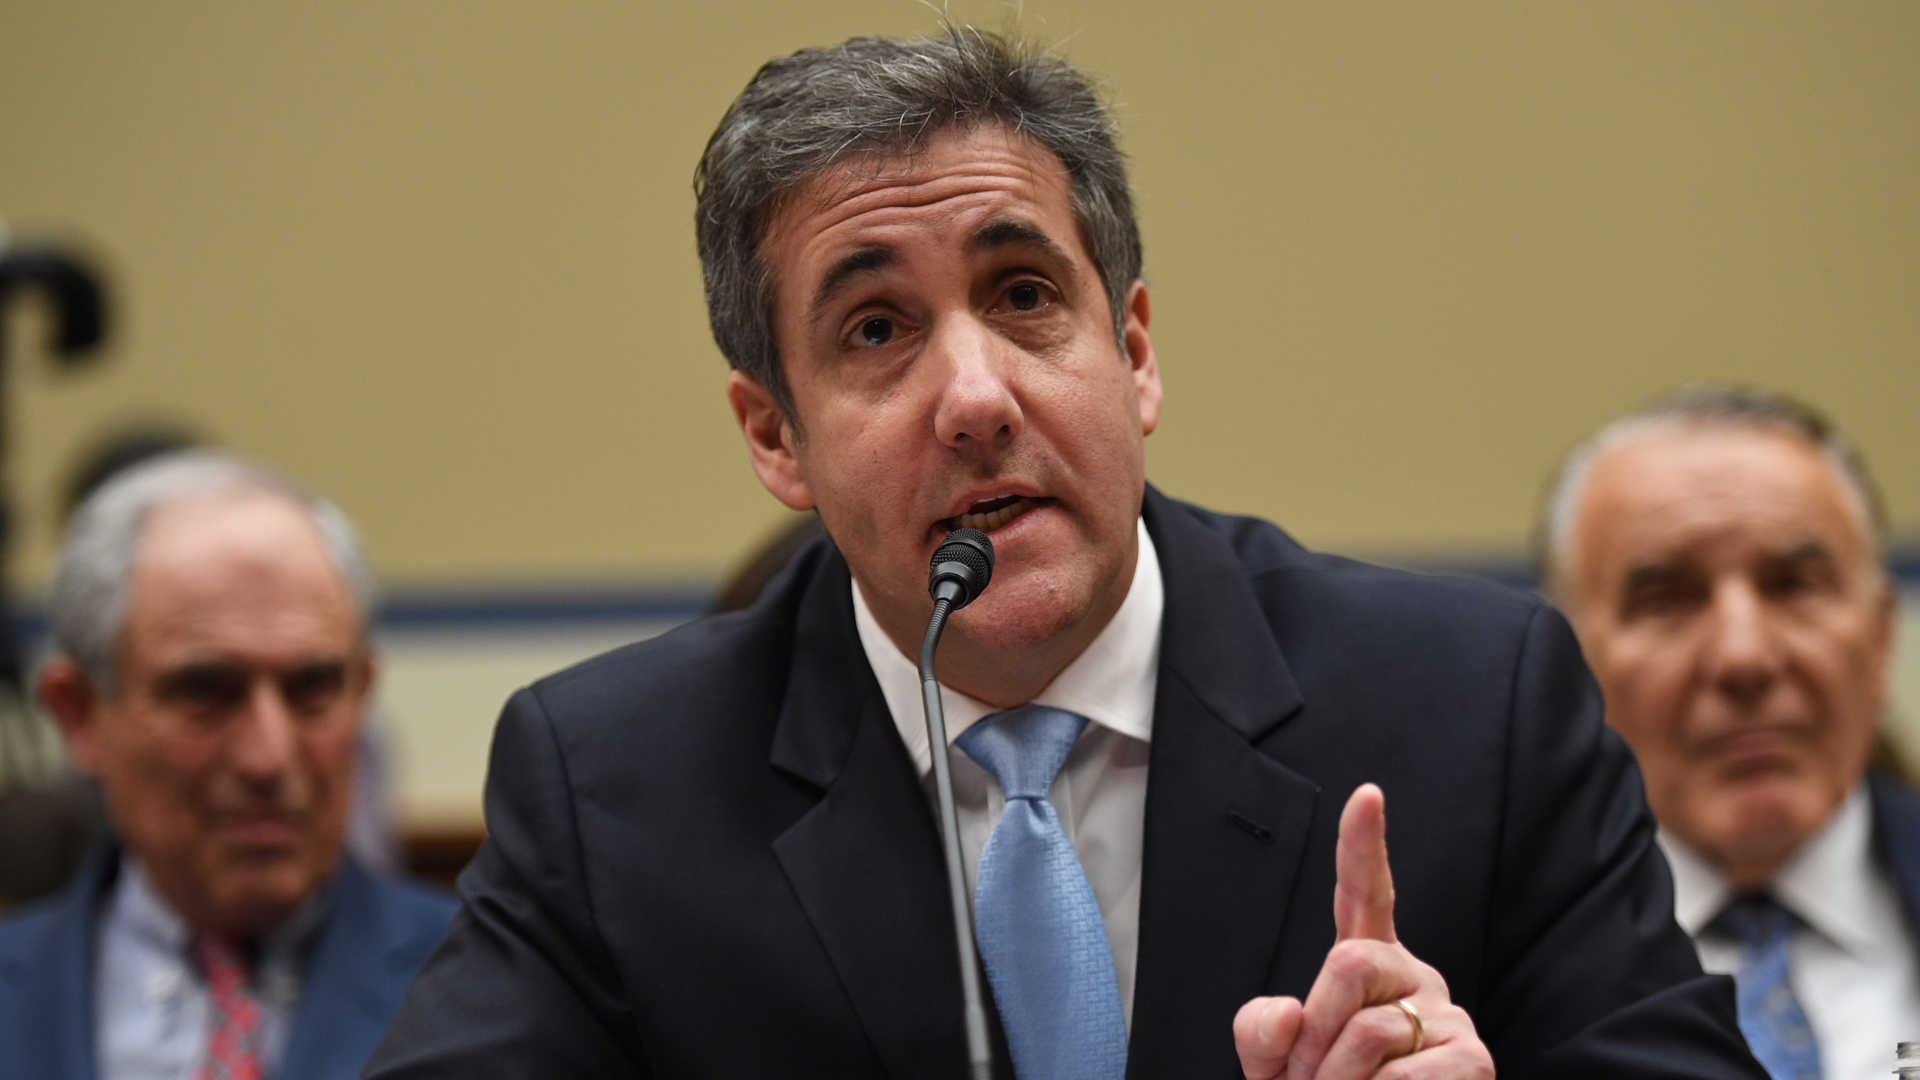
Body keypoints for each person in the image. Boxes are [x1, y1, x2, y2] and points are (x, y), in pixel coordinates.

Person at [366, 30, 1763, 1080]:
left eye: (1024, 294)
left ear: (1135, 352)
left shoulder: (1474, 707)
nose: (975, 396)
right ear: (773, 437)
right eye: (875, 331)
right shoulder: (616, 788)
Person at [0, 453, 457, 1080]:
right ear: (79, 714)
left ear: (363, 693)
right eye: (205, 691)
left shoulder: (493, 988)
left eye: (312, 687)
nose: (267, 757)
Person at [1539, 385, 1917, 1080]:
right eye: (1667, 601)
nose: (1744, 656)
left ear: (1882, 638)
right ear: (1566, 668)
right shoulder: (1481, 963)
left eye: (1794, 585)